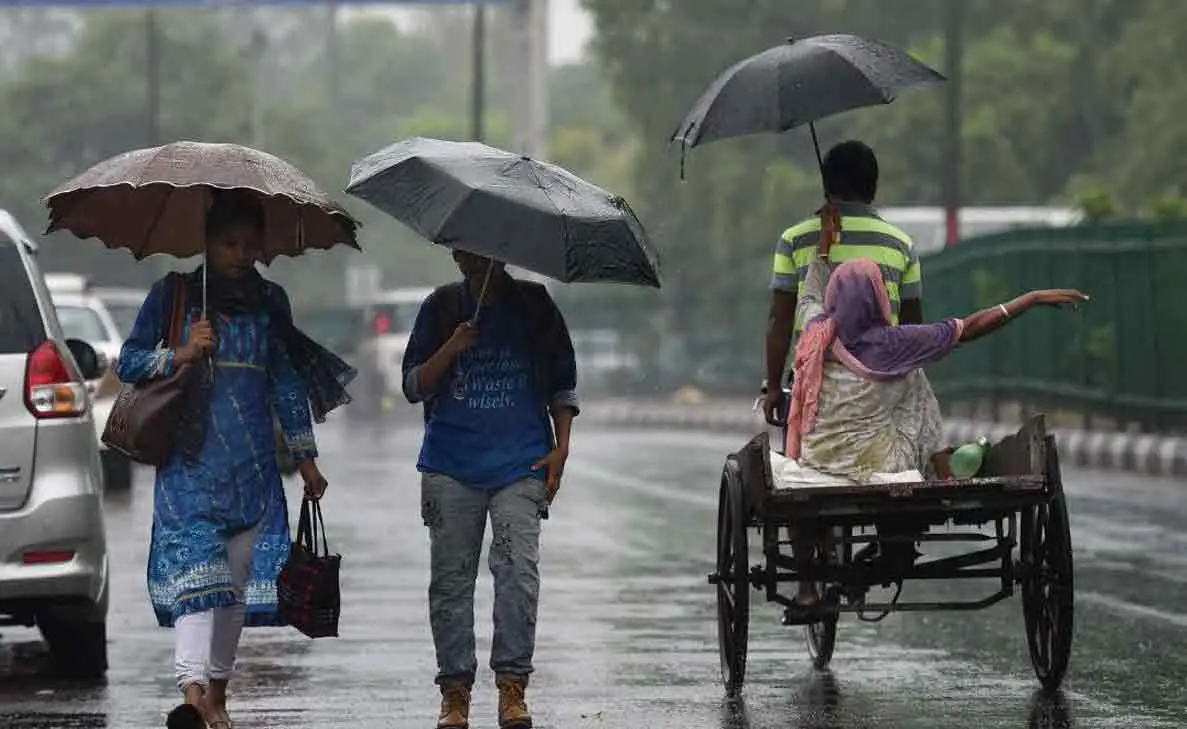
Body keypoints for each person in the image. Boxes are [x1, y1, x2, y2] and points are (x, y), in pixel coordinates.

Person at [116, 189, 355, 729]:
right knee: (198, 580)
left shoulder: (272, 302)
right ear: (206, 241)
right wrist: (178, 351)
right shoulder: (173, 295)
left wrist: (307, 459)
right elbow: (129, 361)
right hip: (188, 466)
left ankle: (217, 693)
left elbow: (288, 384)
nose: (241, 253)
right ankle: (193, 691)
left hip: (253, 469)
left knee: (235, 587)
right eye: (229, 242)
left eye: (251, 244)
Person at [782, 255, 1087, 605]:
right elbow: (971, 327)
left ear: (834, 299)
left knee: (908, 375)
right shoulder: (897, 343)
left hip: (819, 461)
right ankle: (940, 469)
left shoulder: (814, 332)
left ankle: (808, 589)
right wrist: (1031, 298)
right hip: (883, 467)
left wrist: (821, 256)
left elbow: (807, 298)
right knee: (913, 374)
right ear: (880, 296)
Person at [402, 250, 579, 729]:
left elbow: (563, 382)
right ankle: (454, 694)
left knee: (518, 573)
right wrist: (452, 347)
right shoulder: (440, 307)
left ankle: (512, 688)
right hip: (450, 466)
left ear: (502, 250)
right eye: (461, 250)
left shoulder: (535, 305)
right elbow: (414, 384)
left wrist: (562, 448)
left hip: (521, 464)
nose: (468, 259)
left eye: (480, 252)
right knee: (451, 583)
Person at [764, 140, 923, 426]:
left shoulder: (794, 241)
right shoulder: (901, 245)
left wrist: (774, 387)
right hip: (882, 388)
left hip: (814, 389)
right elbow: (913, 327)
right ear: (872, 187)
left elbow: (781, 319)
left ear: (827, 185)